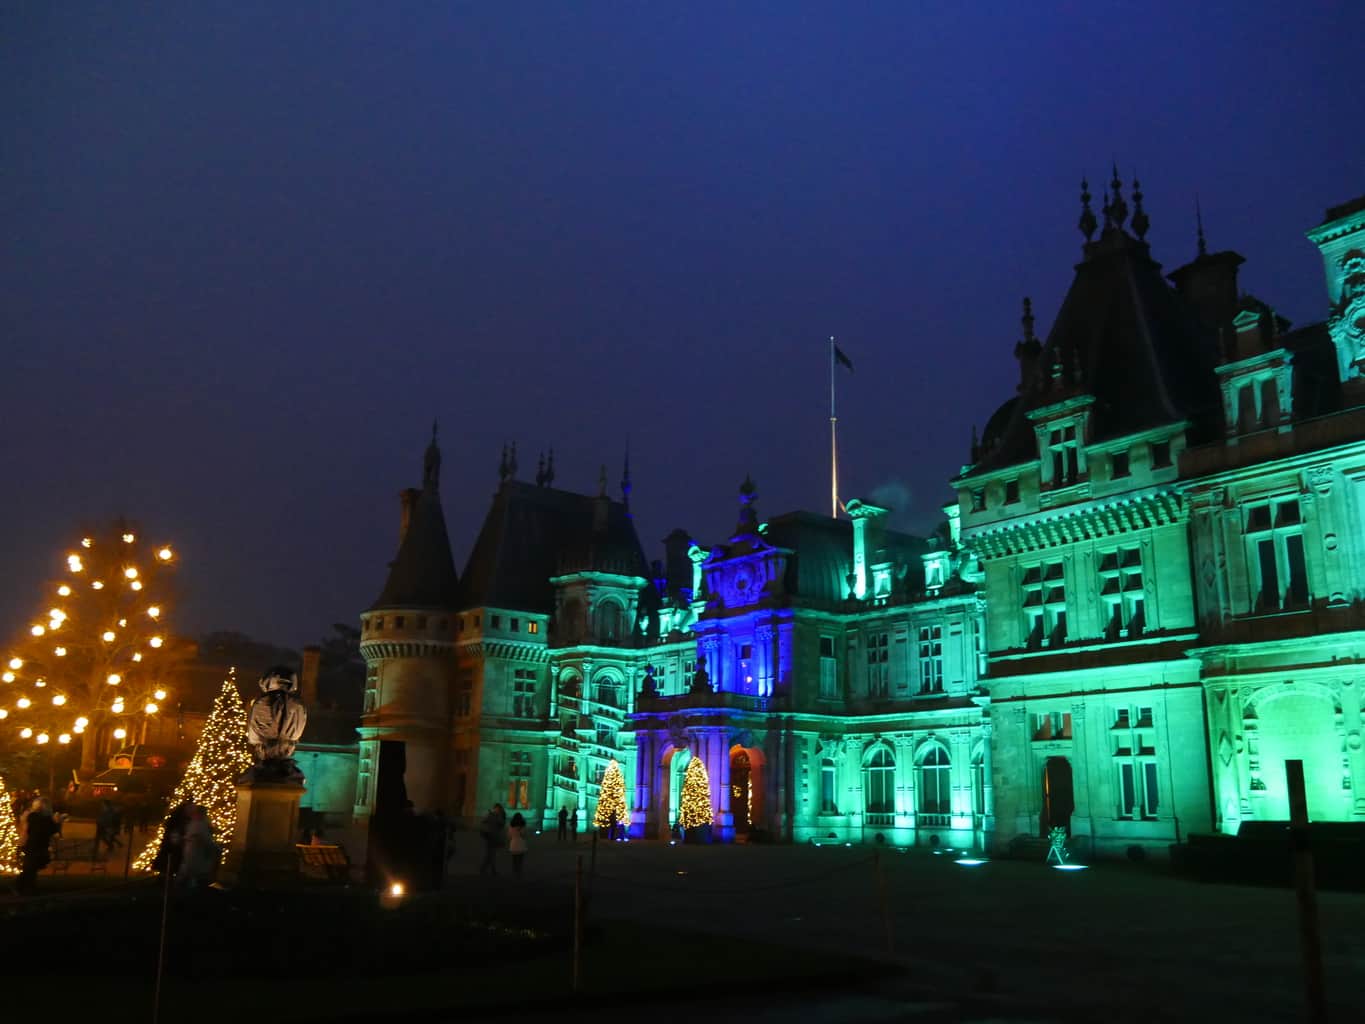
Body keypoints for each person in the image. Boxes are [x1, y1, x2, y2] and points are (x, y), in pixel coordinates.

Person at [18, 797, 59, 894]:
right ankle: (25, 887)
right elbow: (52, 830)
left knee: (29, 868)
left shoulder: (31, 817)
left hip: (31, 845)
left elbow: (27, 830)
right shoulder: (44, 819)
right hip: (38, 846)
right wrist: (56, 822)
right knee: (31, 868)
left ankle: (24, 887)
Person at [478, 805, 503, 876]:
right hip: (490, 836)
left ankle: (488, 869)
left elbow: (500, 823)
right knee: (491, 854)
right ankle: (487, 869)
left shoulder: (493, 815)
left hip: (491, 836)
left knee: (491, 854)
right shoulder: (492, 815)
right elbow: (500, 823)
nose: (498, 811)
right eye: (498, 809)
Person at [507, 812, 527, 878]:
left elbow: (509, 836)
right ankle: (519, 872)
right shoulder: (523, 827)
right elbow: (524, 835)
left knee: (514, 860)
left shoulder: (511, 826)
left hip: (513, 843)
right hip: (521, 844)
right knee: (520, 860)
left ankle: (514, 872)